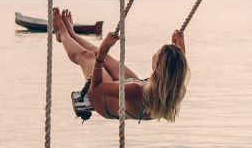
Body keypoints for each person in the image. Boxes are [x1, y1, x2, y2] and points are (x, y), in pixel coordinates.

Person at [52, 7, 190, 122]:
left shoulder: (135, 90)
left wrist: (102, 53)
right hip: (136, 91)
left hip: (104, 101)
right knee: (101, 54)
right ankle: (73, 34)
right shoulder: (177, 89)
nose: (155, 53)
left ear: (156, 67)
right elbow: (177, 70)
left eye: (157, 53)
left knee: (88, 56)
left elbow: (97, 86)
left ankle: (62, 33)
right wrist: (180, 49)